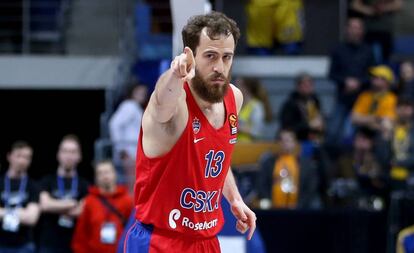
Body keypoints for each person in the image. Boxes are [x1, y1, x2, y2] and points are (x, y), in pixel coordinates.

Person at [124, 12, 256, 252]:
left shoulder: (234, 98)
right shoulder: (174, 104)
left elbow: (217, 158)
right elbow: (162, 99)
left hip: (206, 241)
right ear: (190, 56)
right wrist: (175, 74)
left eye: (227, 57)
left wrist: (234, 197)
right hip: (160, 240)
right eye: (210, 56)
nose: (219, 67)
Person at [327, 17, 375, 146]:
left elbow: (372, 74)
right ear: (346, 29)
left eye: (358, 27)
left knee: (354, 135)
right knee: (332, 132)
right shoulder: (338, 49)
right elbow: (332, 74)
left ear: (362, 31)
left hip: (362, 99)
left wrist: (359, 82)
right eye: (352, 27)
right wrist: (345, 81)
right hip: (343, 97)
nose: (355, 31)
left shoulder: (368, 51)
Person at [37, 135, 89, 253]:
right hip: (49, 245)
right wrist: (72, 203)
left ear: (79, 156)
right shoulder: (47, 181)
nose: (68, 156)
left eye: (73, 152)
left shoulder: (85, 184)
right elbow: (45, 205)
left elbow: (81, 211)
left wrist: (55, 206)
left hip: (76, 245)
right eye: (65, 151)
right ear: (58, 154)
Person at [72, 160, 133, 253]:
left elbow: (133, 231)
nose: (105, 176)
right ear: (96, 178)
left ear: (114, 174)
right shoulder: (89, 201)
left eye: (107, 172)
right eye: (100, 173)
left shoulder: (128, 201)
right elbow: (81, 234)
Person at [257, 129, 323, 209]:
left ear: (294, 143)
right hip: (273, 209)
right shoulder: (268, 163)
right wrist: (269, 202)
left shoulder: (306, 164)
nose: (285, 143)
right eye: (282, 140)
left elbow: (311, 187)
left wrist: (300, 205)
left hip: (299, 210)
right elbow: (261, 185)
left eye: (288, 140)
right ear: (278, 143)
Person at [0, 141, 40, 253]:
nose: (22, 161)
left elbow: (32, 218)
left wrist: (3, 212)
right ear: (9, 156)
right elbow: (26, 215)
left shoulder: (33, 185)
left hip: (25, 245)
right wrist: (22, 213)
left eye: (27, 157)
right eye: (18, 156)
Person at [109, 83, 148, 191]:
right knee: (131, 182)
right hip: (128, 152)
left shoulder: (136, 107)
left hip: (134, 152)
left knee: (135, 181)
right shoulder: (129, 106)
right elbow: (114, 124)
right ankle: (131, 207)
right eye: (139, 92)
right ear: (132, 92)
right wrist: (121, 149)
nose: (142, 95)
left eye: (143, 93)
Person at [351, 65, 397, 137]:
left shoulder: (392, 99)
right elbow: (354, 118)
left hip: (379, 136)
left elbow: (387, 123)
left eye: (377, 77)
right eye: (373, 77)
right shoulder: (365, 96)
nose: (373, 79)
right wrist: (376, 119)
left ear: (387, 81)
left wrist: (365, 120)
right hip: (361, 132)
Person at [279, 73, 324, 142]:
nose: (308, 87)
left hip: (312, 137)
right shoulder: (290, 103)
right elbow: (287, 127)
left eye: (310, 85)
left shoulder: (315, 100)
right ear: (298, 86)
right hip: (295, 140)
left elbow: (319, 118)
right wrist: (308, 125)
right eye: (305, 85)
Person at [236, 77, 272, 142]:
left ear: (247, 88)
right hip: (236, 145)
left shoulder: (256, 106)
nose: (236, 89)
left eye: (239, 86)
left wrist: (237, 128)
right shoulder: (237, 103)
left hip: (250, 146)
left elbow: (257, 131)